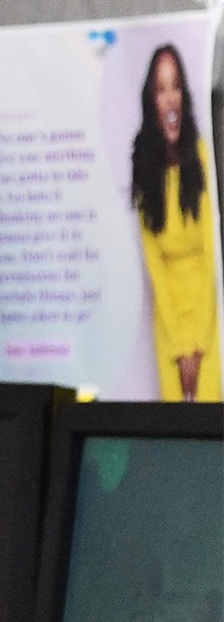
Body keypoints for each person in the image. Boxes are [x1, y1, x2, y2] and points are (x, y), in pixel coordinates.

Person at [130, 44, 220, 402]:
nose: (169, 99)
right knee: (173, 431)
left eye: (176, 86)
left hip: (209, 319)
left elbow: (212, 253)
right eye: (161, 89)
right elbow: (154, 264)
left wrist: (196, 347)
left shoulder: (202, 156)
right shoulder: (144, 168)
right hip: (168, 325)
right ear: (151, 102)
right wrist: (180, 348)